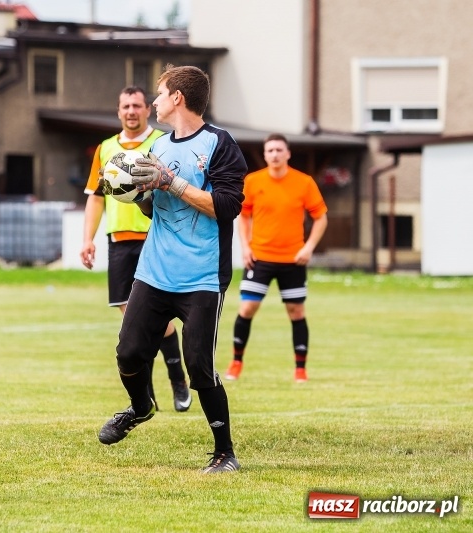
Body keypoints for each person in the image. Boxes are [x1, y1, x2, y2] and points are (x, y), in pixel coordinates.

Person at [97, 64, 246, 474]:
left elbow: (227, 207)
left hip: (201, 276)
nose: (155, 102)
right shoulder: (158, 146)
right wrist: (136, 189)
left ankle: (224, 453)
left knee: (199, 364)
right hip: (154, 271)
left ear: (177, 97)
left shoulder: (220, 143)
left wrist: (170, 182)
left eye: (159, 94)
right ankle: (141, 407)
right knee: (128, 352)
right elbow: (152, 208)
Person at [80, 86, 191, 413]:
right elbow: (96, 196)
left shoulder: (159, 143)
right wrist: (87, 238)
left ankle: (177, 379)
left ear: (146, 110)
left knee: (158, 316)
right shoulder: (106, 148)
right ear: (118, 111)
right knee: (132, 320)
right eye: (126, 105)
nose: (131, 111)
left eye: (137, 105)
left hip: (153, 236)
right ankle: (149, 392)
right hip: (119, 241)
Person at [225, 133, 328, 383]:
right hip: (259, 257)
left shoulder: (304, 182)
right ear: (265, 154)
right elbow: (244, 216)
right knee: (247, 308)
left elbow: (321, 217)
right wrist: (246, 247)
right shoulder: (253, 181)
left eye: (279, 150)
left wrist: (309, 247)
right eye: (270, 150)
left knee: (296, 311)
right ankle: (236, 363)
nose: (275, 154)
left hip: (293, 259)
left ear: (288, 153)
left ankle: (300, 369)